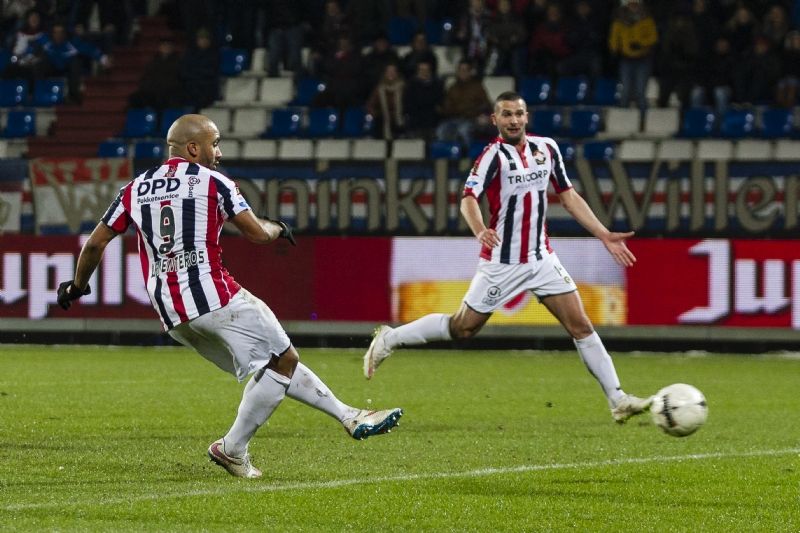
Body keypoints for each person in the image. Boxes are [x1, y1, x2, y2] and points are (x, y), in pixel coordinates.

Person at [56, 114, 403, 479]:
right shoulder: (214, 182)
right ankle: (232, 448)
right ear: (194, 148)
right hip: (213, 295)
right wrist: (278, 227)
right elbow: (256, 233)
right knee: (283, 359)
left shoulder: (135, 188)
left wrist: (77, 287)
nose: (218, 152)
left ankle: (349, 415)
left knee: (275, 362)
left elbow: (94, 243)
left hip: (171, 312)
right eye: (215, 143)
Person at [363, 91, 651, 424]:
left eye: (518, 114)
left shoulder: (547, 149)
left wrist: (603, 233)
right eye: (506, 114)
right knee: (463, 328)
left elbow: (568, 196)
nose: (513, 120)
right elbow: (468, 198)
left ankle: (618, 400)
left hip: (542, 258)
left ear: (527, 117)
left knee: (581, 325)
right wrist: (479, 229)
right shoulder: (492, 156)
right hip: (502, 262)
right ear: (495, 120)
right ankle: (391, 338)